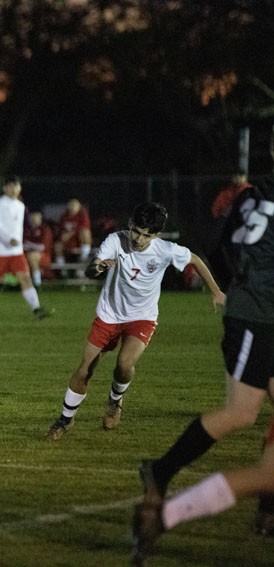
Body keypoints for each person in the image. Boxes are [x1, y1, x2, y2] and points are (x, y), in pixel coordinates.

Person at [133, 179, 274, 565]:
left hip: (253, 312)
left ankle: (265, 509)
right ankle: (161, 472)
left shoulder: (252, 194)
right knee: (243, 412)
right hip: (260, 318)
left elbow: (219, 246)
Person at [45, 202, 225, 440]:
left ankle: (115, 400)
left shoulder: (165, 249)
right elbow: (91, 269)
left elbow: (196, 260)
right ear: (130, 224)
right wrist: (98, 267)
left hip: (142, 317)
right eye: (137, 231)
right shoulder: (115, 241)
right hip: (109, 314)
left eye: (146, 235)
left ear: (156, 235)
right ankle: (65, 420)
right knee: (85, 370)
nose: (139, 239)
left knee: (124, 364)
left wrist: (216, 291)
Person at [0, 176, 53, 319]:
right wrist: (8, 239)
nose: (14, 189)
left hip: (16, 252)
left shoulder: (20, 206)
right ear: (5, 188)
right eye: (11, 186)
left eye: (16, 186)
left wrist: (17, 241)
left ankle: (36, 309)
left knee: (25, 278)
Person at [54, 198, 93, 272]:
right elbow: (61, 231)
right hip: (69, 241)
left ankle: (83, 259)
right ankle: (62, 270)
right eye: (71, 205)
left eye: (75, 205)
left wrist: (71, 233)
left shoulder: (83, 215)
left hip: (80, 240)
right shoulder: (64, 216)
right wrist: (63, 236)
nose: (73, 207)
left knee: (85, 233)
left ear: (79, 206)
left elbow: (83, 228)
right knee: (57, 245)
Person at [23, 210, 54, 287]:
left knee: (33, 256)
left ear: (40, 218)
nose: (34, 219)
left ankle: (37, 283)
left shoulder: (45, 229)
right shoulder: (26, 229)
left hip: (44, 255)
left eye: (36, 217)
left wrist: (29, 245)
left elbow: (41, 247)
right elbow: (22, 245)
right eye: (32, 217)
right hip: (28, 254)